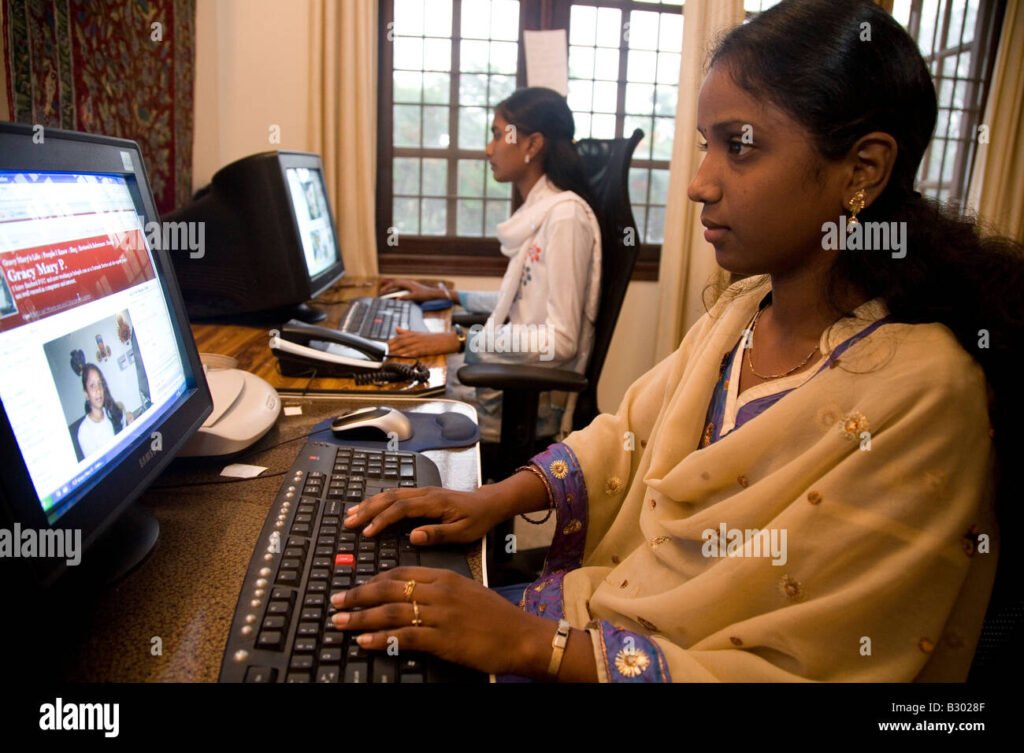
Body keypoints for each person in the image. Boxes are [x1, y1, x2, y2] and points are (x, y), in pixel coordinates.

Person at [327, 0, 1023, 681]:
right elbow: (625, 435)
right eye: (703, 145)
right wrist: (492, 498)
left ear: (862, 170)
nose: (697, 184)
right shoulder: (742, 310)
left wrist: (529, 644)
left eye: (739, 147)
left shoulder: (925, 393)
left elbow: (815, 664)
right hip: (605, 611)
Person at [381, 87, 602, 442]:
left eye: (498, 135)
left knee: (400, 403)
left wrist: (460, 341)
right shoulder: (540, 212)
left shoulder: (565, 218)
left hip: (526, 404)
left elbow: (561, 341)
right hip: (508, 386)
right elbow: (519, 301)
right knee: (402, 383)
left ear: (532, 144)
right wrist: (449, 296)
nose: (488, 148)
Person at [74, 362, 133, 460]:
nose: (98, 390)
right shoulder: (85, 431)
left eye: (100, 384)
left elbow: (127, 442)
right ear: (86, 394)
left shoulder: (111, 412)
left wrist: (129, 423)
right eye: (92, 386)